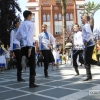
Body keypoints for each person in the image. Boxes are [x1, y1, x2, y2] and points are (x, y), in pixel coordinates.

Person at [15, 10, 38, 88]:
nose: (31, 17)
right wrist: (30, 47)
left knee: (29, 60)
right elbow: (30, 36)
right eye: (31, 16)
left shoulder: (21, 25)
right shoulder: (31, 24)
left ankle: (24, 59)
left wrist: (21, 42)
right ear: (29, 16)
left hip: (22, 46)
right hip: (29, 45)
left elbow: (17, 36)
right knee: (32, 64)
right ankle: (31, 83)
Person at [82, 15, 95, 81]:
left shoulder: (86, 25)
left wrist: (86, 41)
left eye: (83, 18)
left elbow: (89, 34)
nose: (82, 19)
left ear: (86, 19)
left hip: (89, 45)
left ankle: (89, 76)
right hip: (87, 45)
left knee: (87, 61)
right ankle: (89, 76)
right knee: (87, 61)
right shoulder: (85, 25)